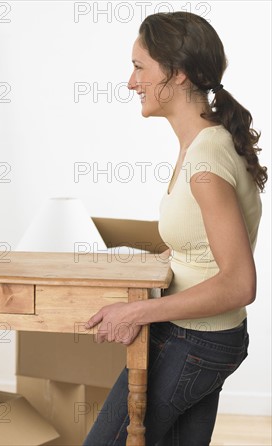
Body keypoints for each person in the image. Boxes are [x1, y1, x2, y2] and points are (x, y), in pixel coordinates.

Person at [83, 11, 267, 446]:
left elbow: (240, 283)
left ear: (178, 73)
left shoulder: (205, 162)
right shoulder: (205, 143)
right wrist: (147, 268)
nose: (131, 82)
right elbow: (200, 250)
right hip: (202, 336)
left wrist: (135, 312)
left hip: (194, 341)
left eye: (139, 67)